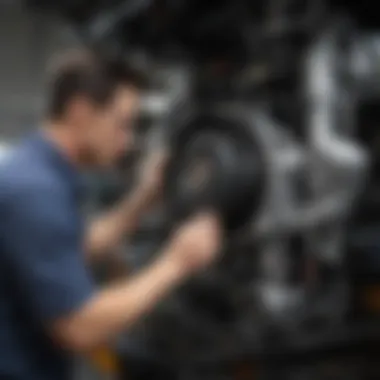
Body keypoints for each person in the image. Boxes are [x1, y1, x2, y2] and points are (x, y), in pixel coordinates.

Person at [0, 50, 222, 380]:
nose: (129, 140)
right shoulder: (36, 191)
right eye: (122, 124)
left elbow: (73, 249)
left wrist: (142, 200)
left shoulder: (37, 171)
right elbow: (79, 327)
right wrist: (177, 262)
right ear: (80, 112)